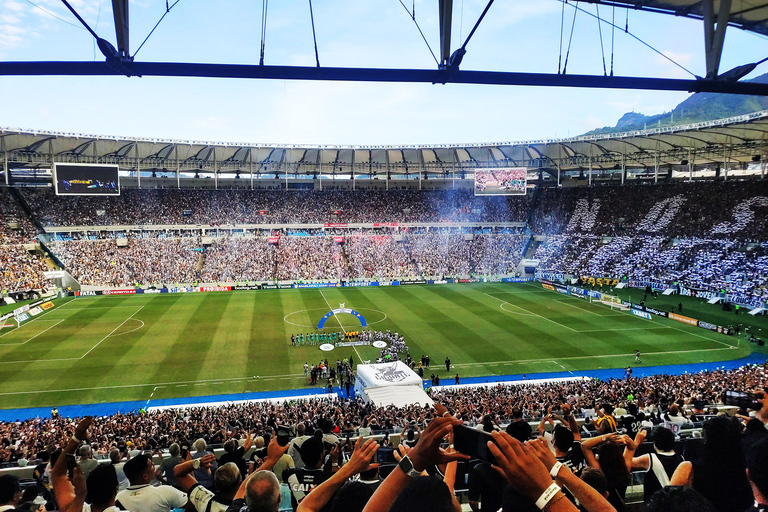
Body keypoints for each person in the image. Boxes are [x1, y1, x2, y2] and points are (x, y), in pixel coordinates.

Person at [623, 427, 685, 502]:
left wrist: (635, 443)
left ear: (655, 443)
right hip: (677, 503)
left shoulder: (650, 459)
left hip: (656, 504)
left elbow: (624, 464)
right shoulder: (681, 459)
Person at [117, 453, 188, 512]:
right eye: (151, 465)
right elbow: (196, 503)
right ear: (145, 476)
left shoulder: (117, 499)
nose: (154, 465)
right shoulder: (165, 492)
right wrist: (188, 471)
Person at [175, 453, 242, 512]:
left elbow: (178, 472)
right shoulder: (247, 507)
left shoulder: (205, 501)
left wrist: (198, 462)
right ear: (239, 483)